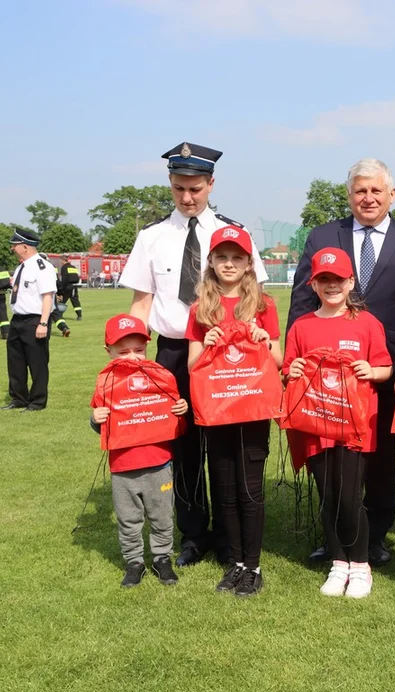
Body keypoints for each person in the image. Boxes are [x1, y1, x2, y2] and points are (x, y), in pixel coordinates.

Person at [120, 141, 269, 567]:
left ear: (211, 184)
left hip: (228, 355)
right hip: (171, 352)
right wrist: (133, 359)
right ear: (170, 183)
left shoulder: (233, 234)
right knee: (181, 447)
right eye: (180, 187)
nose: (188, 197)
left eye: (196, 188)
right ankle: (193, 533)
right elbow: (141, 303)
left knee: (223, 446)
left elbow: (253, 294)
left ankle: (229, 537)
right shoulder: (151, 237)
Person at [288, 158, 395, 567]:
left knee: (382, 456)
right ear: (349, 195)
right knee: (329, 452)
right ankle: (335, 532)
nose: (368, 198)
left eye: (376, 191)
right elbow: (301, 303)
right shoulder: (322, 236)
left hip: (385, 368)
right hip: (324, 373)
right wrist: (293, 364)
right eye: (360, 191)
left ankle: (375, 535)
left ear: (391, 195)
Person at [284, 247, 392, 598]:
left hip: (354, 428)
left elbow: (386, 368)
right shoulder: (302, 325)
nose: (332, 286)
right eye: (323, 280)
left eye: (338, 280)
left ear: (350, 282)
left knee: (349, 497)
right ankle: (338, 562)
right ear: (313, 284)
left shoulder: (366, 323)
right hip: (316, 426)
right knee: (328, 496)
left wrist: (371, 371)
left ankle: (360, 565)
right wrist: (292, 371)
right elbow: (288, 369)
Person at [186, 227, 282, 597]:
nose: (229, 264)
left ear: (248, 264)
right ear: (211, 261)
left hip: (252, 406)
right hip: (219, 408)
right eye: (222, 257)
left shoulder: (264, 305)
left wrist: (263, 339)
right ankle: (236, 563)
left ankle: (254, 565)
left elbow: (278, 360)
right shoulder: (201, 308)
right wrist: (207, 343)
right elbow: (193, 366)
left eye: (237, 258)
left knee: (250, 489)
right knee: (224, 489)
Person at [91, 314, 187, 588]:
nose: (132, 357)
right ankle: (134, 562)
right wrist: (95, 418)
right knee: (129, 519)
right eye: (123, 352)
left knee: (162, 516)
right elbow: (104, 426)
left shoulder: (160, 377)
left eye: (139, 350)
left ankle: (162, 559)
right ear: (108, 351)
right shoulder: (107, 382)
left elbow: (174, 422)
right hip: (123, 467)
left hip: (159, 462)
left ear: (148, 346)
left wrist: (181, 411)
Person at [4, 228, 56, 411]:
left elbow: (48, 296)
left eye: (15, 245)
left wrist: (43, 323)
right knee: (15, 361)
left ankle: (37, 401)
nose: (13, 249)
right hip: (18, 320)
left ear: (25, 246)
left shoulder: (42, 266)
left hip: (35, 320)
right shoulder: (21, 266)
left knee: (37, 362)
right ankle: (18, 398)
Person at [58, 255, 83, 320]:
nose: (60, 262)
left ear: (63, 260)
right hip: (74, 286)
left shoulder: (64, 267)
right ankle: (79, 315)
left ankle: (59, 315)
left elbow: (64, 278)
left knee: (62, 301)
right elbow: (77, 277)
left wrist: (61, 288)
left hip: (67, 286)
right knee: (75, 301)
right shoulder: (73, 267)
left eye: (61, 261)